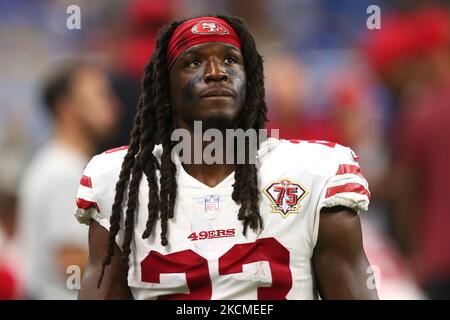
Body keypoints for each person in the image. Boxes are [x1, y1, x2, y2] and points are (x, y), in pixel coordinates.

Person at [76, 15, 378, 300]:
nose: (216, 72)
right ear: (164, 87)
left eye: (230, 60)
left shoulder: (313, 172)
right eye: (194, 62)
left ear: (252, 81)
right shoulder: (119, 180)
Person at [18, 60, 119, 299]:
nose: (113, 105)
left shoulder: (66, 164)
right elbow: (72, 261)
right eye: (99, 96)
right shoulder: (62, 170)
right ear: (66, 108)